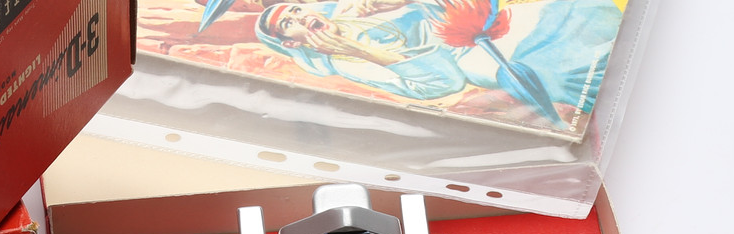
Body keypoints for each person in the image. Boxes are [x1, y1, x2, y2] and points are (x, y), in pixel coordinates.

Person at [256, 0, 622, 121]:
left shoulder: (349, 11)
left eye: (297, 10)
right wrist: (363, 51)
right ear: (290, 42)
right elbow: (444, 83)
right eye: (289, 23)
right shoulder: (348, 63)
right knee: (550, 69)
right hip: (475, 56)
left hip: (486, 19)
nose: (301, 17)